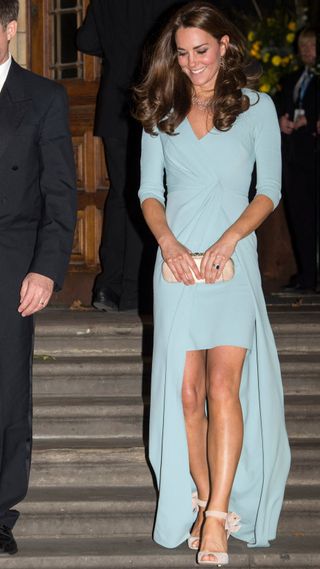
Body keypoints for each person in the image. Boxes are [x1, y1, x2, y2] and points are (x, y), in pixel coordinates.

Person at [134, 1, 291, 564]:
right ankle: (201, 500)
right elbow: (149, 193)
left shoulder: (257, 107)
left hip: (231, 261)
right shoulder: (162, 110)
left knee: (224, 388)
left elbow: (268, 189)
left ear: (226, 46)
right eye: (182, 53)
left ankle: (219, 515)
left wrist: (228, 244)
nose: (192, 62)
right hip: (175, 265)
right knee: (187, 394)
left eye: (201, 50)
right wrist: (170, 247)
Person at [0, 0, 77, 555]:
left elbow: (60, 192)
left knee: (6, 389)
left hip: (13, 257)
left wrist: (47, 269)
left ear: (9, 29)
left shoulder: (45, 98)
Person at [76, 0, 186, 313]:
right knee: (150, 194)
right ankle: (136, 290)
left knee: (121, 195)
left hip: (115, 107)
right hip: (156, 100)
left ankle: (108, 286)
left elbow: (85, 41)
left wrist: (117, 48)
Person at [276, 27, 320, 292]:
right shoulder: (292, 78)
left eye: (312, 45)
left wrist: (311, 120)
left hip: (315, 154)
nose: (306, 51)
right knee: (301, 218)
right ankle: (307, 274)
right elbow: (281, 105)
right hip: (297, 158)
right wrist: (282, 118)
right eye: (303, 46)